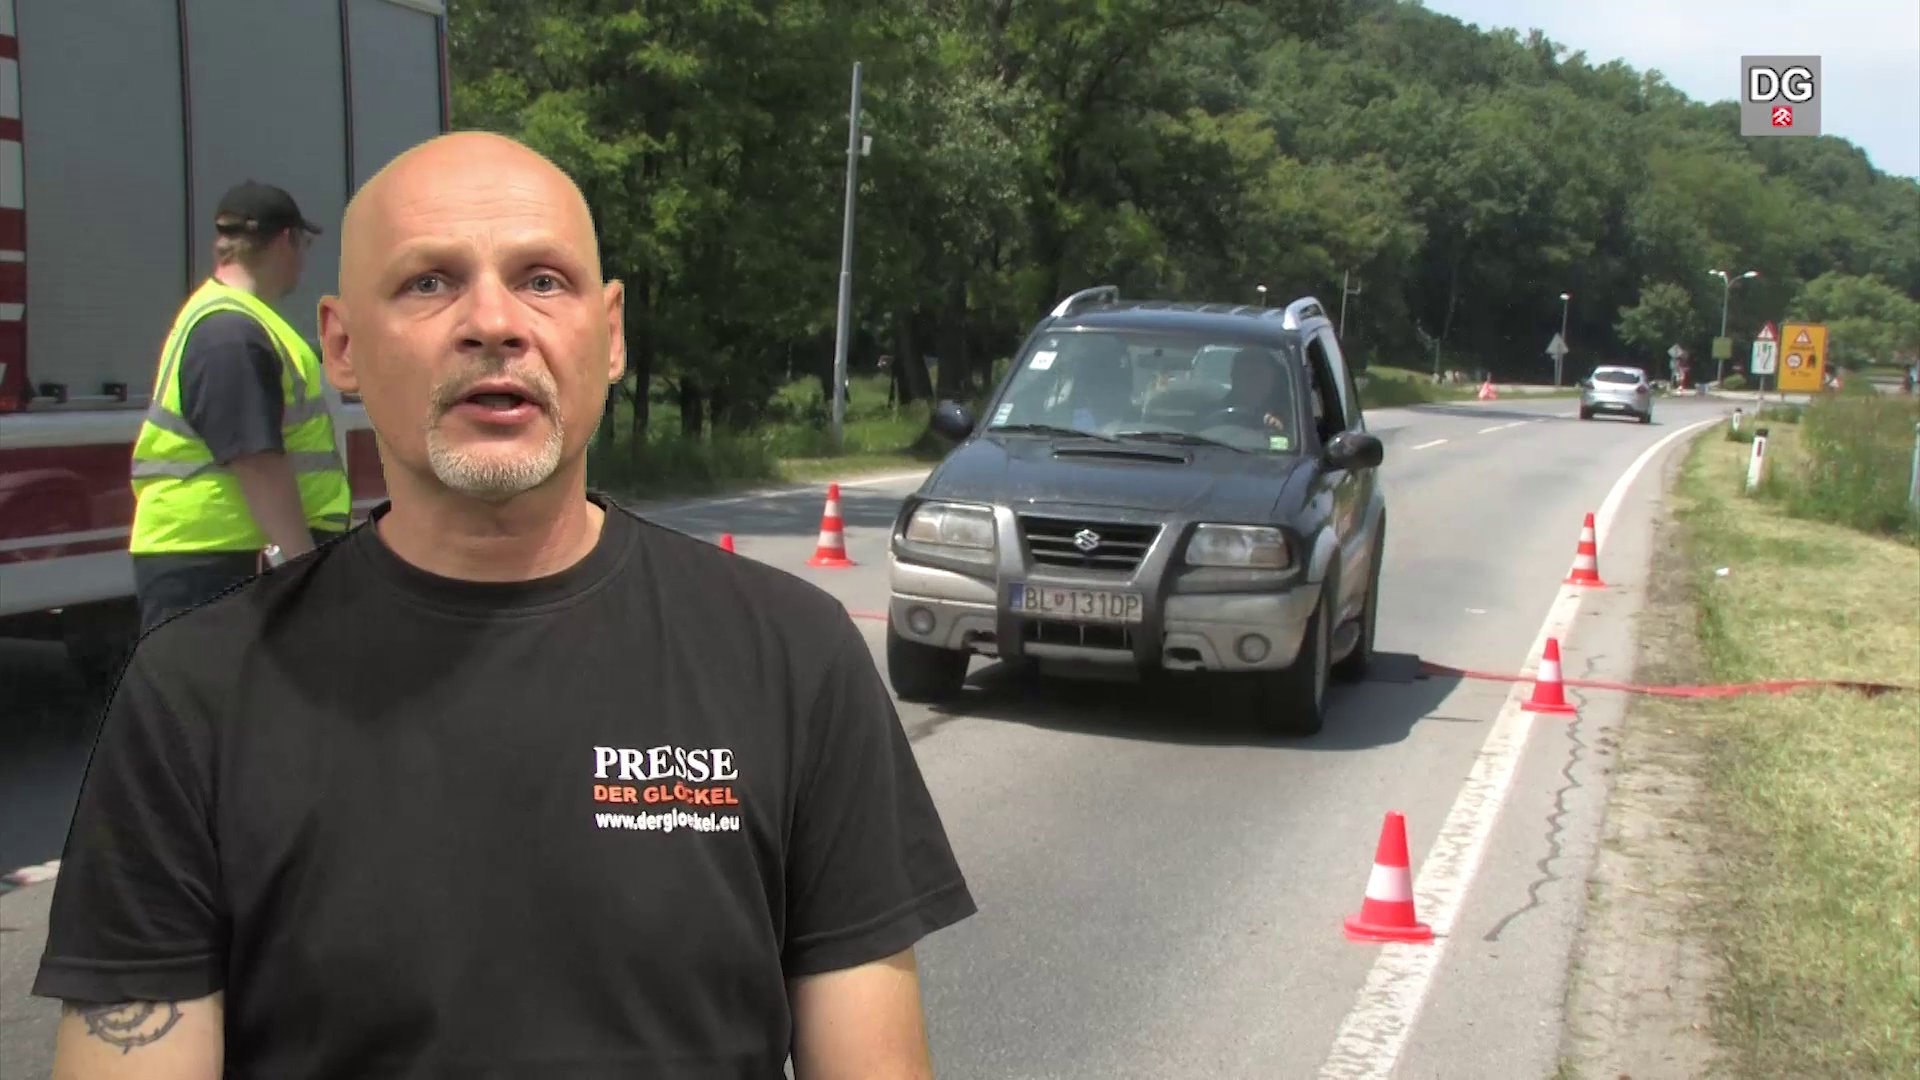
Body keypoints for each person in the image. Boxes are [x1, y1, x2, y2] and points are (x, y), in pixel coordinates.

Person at [34, 131, 976, 1078]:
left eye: (543, 280)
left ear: (611, 334)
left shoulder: (794, 659)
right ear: (343, 345)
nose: (493, 322)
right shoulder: (194, 695)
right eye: (429, 283)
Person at [127, 180, 351, 632]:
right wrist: (302, 568)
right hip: (222, 562)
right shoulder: (231, 331)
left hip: (222, 557)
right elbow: (255, 460)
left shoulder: (233, 319)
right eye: (304, 245)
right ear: (287, 240)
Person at [1222, 347, 1291, 435]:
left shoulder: (1296, 416)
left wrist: (1280, 430)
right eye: (1247, 375)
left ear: (1273, 378)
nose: (1252, 381)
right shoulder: (1214, 414)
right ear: (1233, 376)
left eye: (1257, 373)